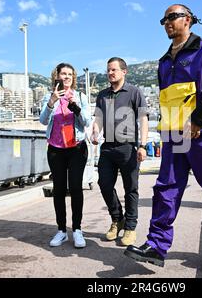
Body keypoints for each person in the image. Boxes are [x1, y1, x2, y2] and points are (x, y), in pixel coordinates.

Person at [124, 4, 202, 267]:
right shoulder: (164, 61)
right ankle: (156, 244)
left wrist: (199, 119)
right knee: (166, 187)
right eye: (163, 19)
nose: (167, 22)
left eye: (171, 17)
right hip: (174, 134)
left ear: (187, 20)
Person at [91, 57, 149, 247]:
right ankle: (118, 220)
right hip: (107, 147)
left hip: (128, 147)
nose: (110, 73)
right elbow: (98, 118)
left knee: (130, 189)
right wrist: (95, 131)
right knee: (104, 184)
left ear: (124, 72)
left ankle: (130, 228)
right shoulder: (102, 95)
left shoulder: (134, 92)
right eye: (108, 70)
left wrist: (142, 145)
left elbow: (143, 120)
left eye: (114, 70)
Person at [39, 63, 91, 248]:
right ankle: (61, 230)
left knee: (76, 188)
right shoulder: (49, 96)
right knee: (59, 190)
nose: (67, 77)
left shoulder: (81, 97)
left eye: (70, 74)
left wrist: (74, 105)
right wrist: (52, 102)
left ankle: (77, 230)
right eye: (63, 74)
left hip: (77, 148)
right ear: (57, 76)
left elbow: (86, 121)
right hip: (55, 149)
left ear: (73, 77)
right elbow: (43, 120)